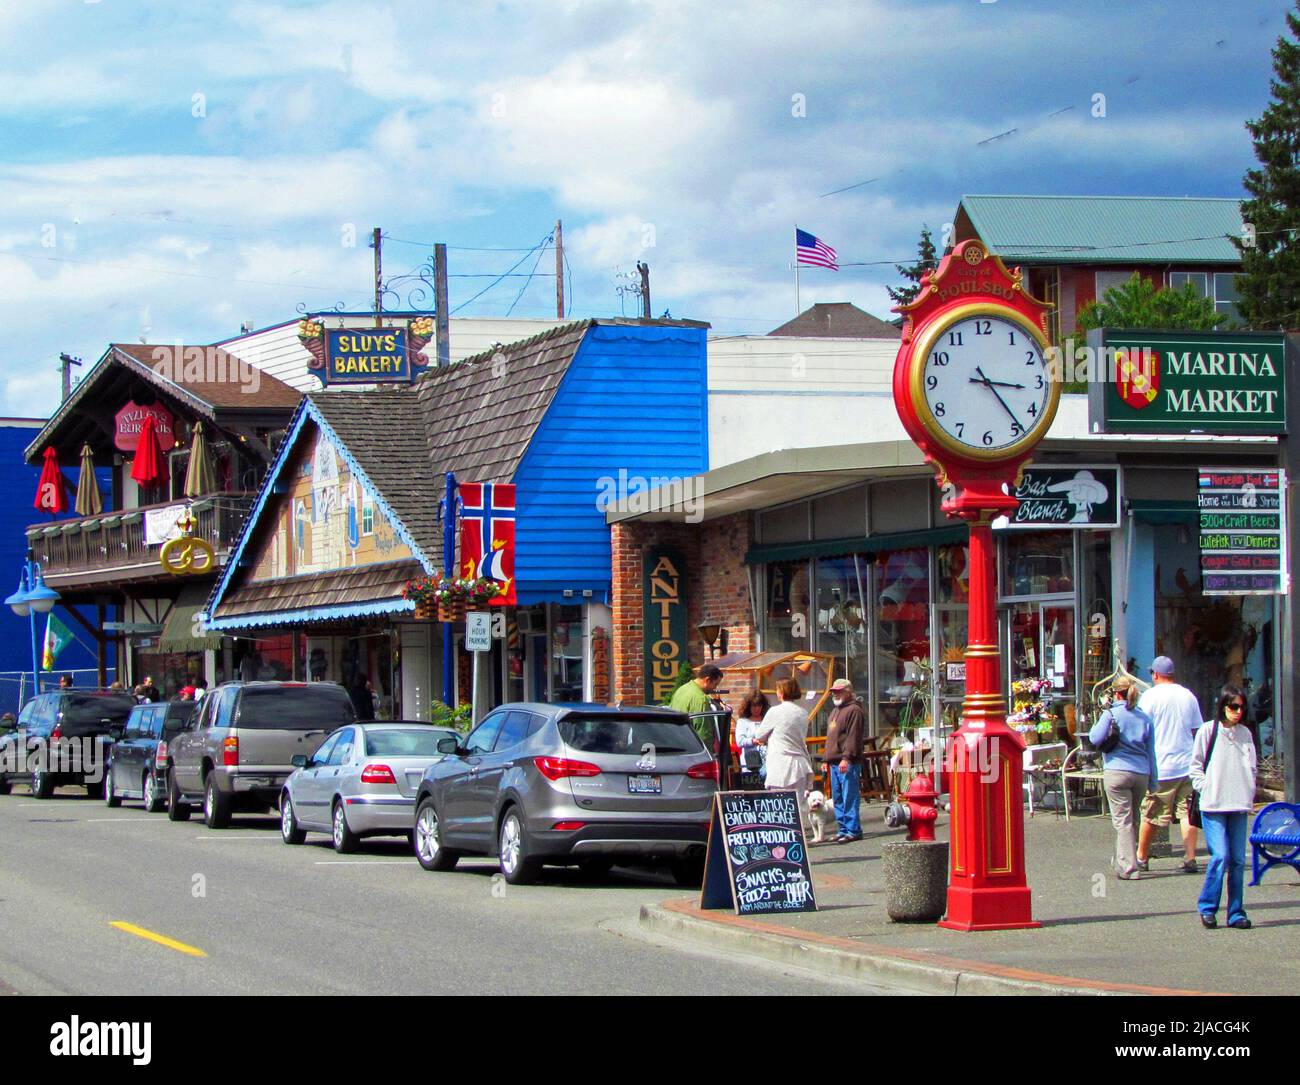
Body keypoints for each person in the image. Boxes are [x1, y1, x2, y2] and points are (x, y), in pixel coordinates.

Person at [1191, 685, 1257, 930]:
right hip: (1214, 803)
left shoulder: (1246, 734)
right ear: (1223, 706)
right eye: (1233, 706)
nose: (1238, 712)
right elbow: (1195, 765)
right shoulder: (1209, 731)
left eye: (1241, 707)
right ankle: (1207, 907)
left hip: (1239, 804)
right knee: (1221, 856)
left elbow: (1251, 766)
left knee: (1238, 861)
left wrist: (1250, 790)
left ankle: (1236, 912)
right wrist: (1205, 787)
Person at [1135, 656, 1203, 873]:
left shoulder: (1149, 697)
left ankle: (1141, 856)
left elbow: (1141, 729)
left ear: (1155, 674)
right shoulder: (1188, 695)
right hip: (1187, 762)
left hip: (1161, 764)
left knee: (1152, 812)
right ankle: (1190, 856)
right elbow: (1196, 728)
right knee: (1187, 812)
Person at [1088, 675, 1158, 879]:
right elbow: (1151, 752)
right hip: (1141, 773)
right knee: (1133, 818)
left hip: (1117, 771)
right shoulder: (1144, 718)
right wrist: (1153, 781)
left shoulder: (1111, 714)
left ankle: (1129, 867)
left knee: (1122, 821)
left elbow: (1094, 738)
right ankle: (1123, 859)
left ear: (1116, 693)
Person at [753, 677, 816, 838]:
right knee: (797, 804)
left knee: (779, 805)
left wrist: (764, 738)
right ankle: (797, 837)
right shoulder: (802, 712)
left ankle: (783, 838)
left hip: (781, 763)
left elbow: (759, 734)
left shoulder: (775, 711)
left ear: (781, 692)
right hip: (800, 762)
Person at [822, 678, 865, 843]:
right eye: (834, 691)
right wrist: (826, 759)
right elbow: (830, 739)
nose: (835, 694)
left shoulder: (854, 710)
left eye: (839, 691)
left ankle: (853, 829)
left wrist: (846, 758)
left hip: (847, 762)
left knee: (849, 796)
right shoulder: (835, 711)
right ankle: (843, 828)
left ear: (848, 691)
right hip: (834, 761)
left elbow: (853, 737)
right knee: (838, 797)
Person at [669, 664, 725, 751]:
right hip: (692, 751)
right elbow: (703, 733)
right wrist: (708, 755)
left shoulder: (681, 689)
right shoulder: (701, 699)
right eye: (715, 684)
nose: (715, 688)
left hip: (675, 745)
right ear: (707, 680)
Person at [733, 690, 769, 784]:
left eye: (759, 706)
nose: (757, 709)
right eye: (754, 706)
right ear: (748, 706)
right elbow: (740, 741)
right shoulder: (743, 722)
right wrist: (753, 741)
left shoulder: (767, 719)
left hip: (768, 761)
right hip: (751, 763)